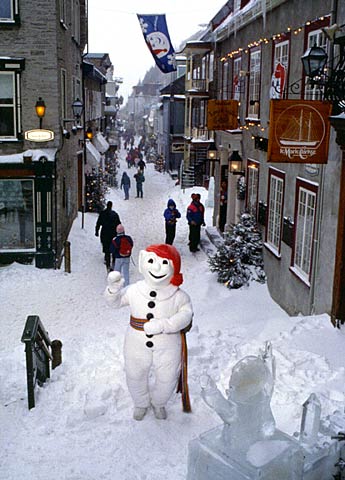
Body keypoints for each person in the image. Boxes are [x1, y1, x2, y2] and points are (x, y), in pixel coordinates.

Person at [105, 244, 193, 421]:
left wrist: (164, 325)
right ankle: (140, 403)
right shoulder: (135, 290)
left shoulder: (179, 296)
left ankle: (159, 402)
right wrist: (113, 291)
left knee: (167, 377)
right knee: (135, 373)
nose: (156, 267)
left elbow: (186, 315)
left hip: (168, 344)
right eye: (151, 261)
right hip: (136, 342)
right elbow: (115, 304)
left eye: (164, 263)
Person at [95, 201, 121, 271]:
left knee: (106, 249)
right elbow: (119, 225)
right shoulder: (114, 214)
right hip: (113, 233)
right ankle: (113, 263)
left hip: (105, 233)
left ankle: (108, 264)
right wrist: (120, 233)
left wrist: (96, 231)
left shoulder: (103, 214)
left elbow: (98, 223)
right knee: (113, 248)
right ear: (111, 206)